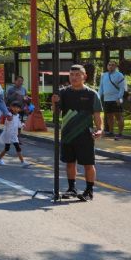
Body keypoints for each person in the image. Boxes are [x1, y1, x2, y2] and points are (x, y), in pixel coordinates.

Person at [51, 64, 103, 201]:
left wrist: (99, 129)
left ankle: (89, 190)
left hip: (85, 135)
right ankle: (71, 188)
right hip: (67, 134)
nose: (74, 78)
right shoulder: (62, 93)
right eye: (71, 75)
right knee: (69, 163)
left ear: (84, 77)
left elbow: (97, 115)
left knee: (88, 164)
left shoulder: (92, 94)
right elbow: (55, 115)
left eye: (77, 75)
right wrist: (54, 103)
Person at [0, 101, 31, 168]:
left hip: (14, 135)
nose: (16, 109)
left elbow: (18, 125)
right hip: (8, 134)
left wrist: (22, 125)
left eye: (18, 108)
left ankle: (23, 162)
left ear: (20, 109)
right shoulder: (9, 115)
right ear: (11, 107)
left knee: (17, 147)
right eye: (14, 107)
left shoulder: (17, 116)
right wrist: (9, 119)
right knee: (7, 148)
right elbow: (7, 122)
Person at [99, 60, 126, 140]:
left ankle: (120, 133)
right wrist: (98, 96)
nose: (111, 66)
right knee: (109, 116)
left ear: (116, 67)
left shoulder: (119, 75)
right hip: (107, 99)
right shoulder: (104, 75)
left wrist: (119, 98)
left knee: (118, 116)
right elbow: (101, 87)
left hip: (116, 99)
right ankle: (111, 132)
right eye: (109, 64)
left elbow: (122, 88)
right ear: (107, 66)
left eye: (113, 65)